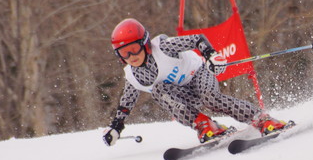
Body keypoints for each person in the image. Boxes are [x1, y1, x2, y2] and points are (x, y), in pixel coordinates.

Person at [102, 18, 288, 147]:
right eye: (124, 53)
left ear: (145, 43)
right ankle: (205, 126)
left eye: (134, 49)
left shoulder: (164, 47)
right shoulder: (133, 77)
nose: (131, 56)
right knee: (159, 90)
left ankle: (262, 119)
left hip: (198, 74)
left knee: (211, 99)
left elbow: (197, 39)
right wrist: (116, 128)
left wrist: (211, 55)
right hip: (183, 95)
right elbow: (126, 105)